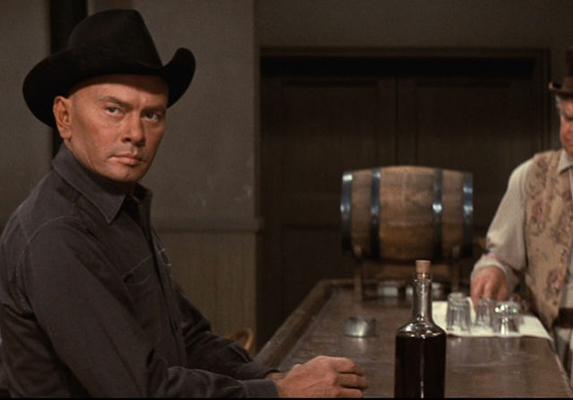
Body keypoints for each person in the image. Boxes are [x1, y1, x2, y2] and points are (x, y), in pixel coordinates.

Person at [0, 9, 369, 397]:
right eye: (114, 109)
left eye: (152, 114)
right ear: (64, 117)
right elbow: (141, 390)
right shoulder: (57, 233)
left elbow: (188, 338)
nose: (135, 133)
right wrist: (280, 394)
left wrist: (273, 379)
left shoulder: (121, 208)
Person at [470, 47, 573, 372]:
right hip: (552, 344)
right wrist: (492, 271)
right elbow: (501, 256)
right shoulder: (531, 177)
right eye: (568, 118)